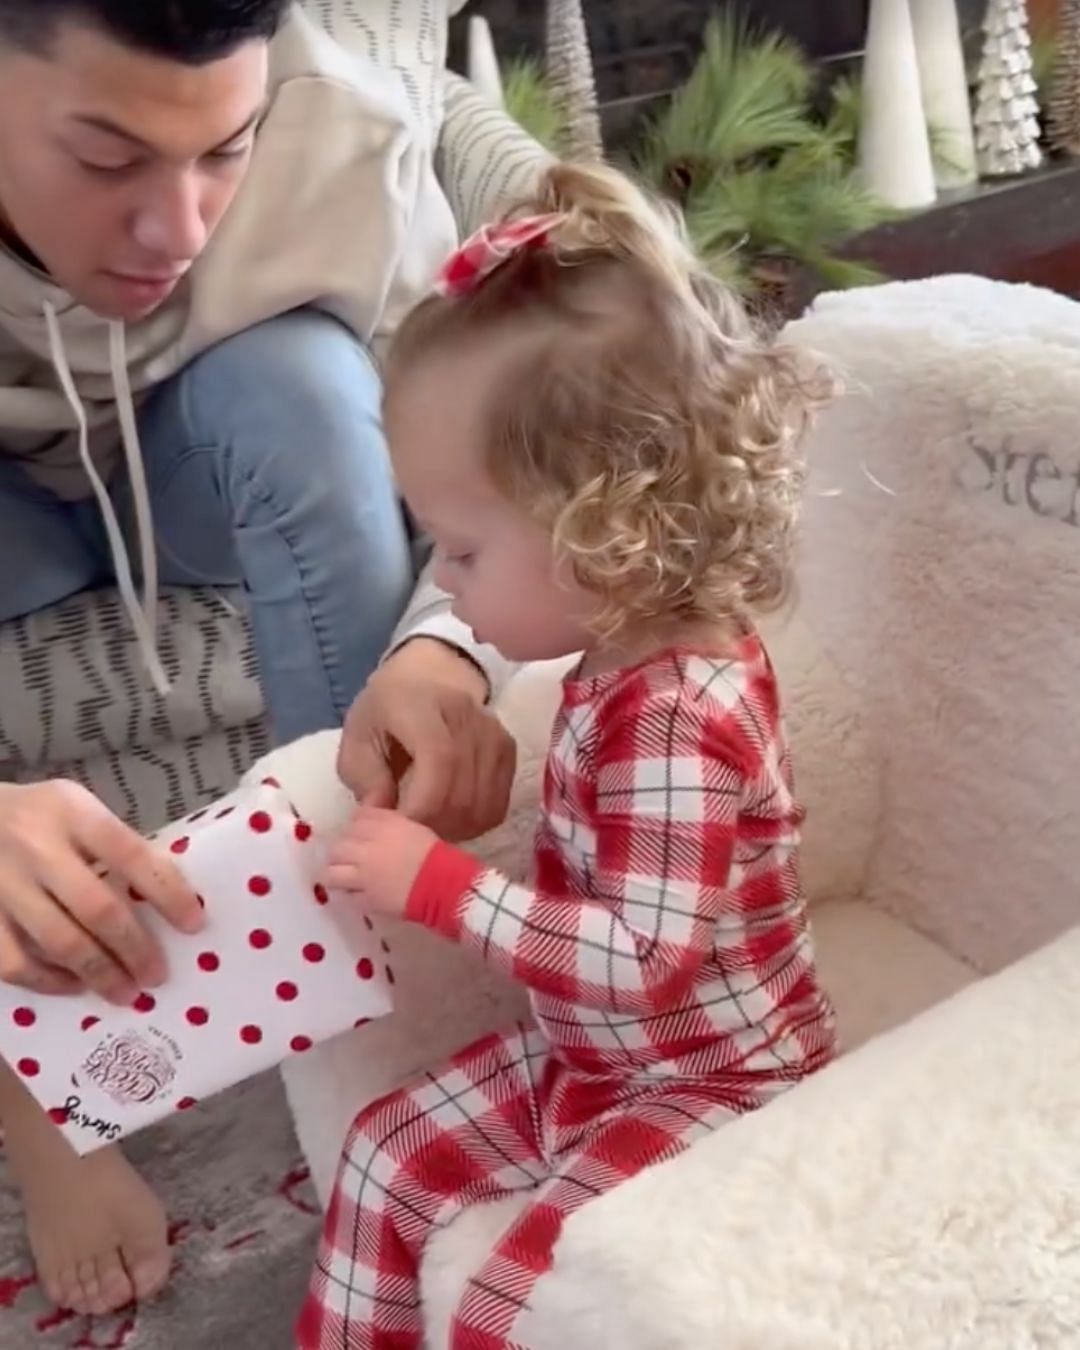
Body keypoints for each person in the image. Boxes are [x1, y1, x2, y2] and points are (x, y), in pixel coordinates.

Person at [0, 0, 516, 1321]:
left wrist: (439, 645)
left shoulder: (338, 121)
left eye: (222, 151)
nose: (177, 229)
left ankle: (376, 971)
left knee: (306, 387)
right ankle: (32, 1081)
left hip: (193, 459)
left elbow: (496, 464)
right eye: (108, 160)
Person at [297, 161, 839, 1350]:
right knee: (385, 1153)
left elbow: (646, 956)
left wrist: (442, 888)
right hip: (595, 1057)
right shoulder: (608, 657)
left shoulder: (675, 712)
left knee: (522, 1296)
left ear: (605, 532)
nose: (439, 583)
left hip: (717, 1081)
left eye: (460, 548)